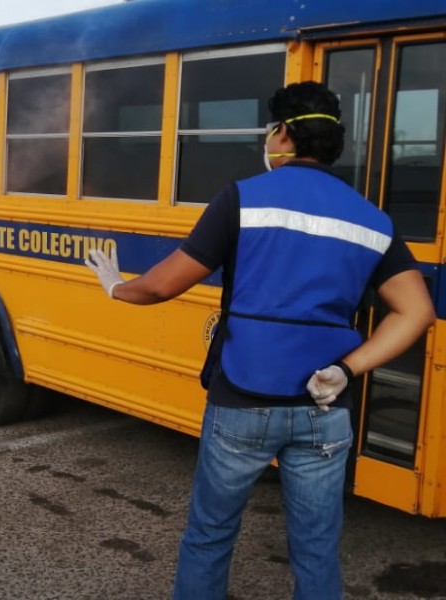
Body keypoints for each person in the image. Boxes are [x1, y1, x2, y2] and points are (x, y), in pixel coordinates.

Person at [85, 82, 435, 599]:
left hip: (243, 398)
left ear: (284, 135)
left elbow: (162, 284)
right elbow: (417, 311)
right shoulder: (373, 220)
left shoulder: (243, 198)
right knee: (316, 549)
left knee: (210, 535)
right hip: (326, 405)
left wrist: (118, 287)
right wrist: (349, 368)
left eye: (272, 131)